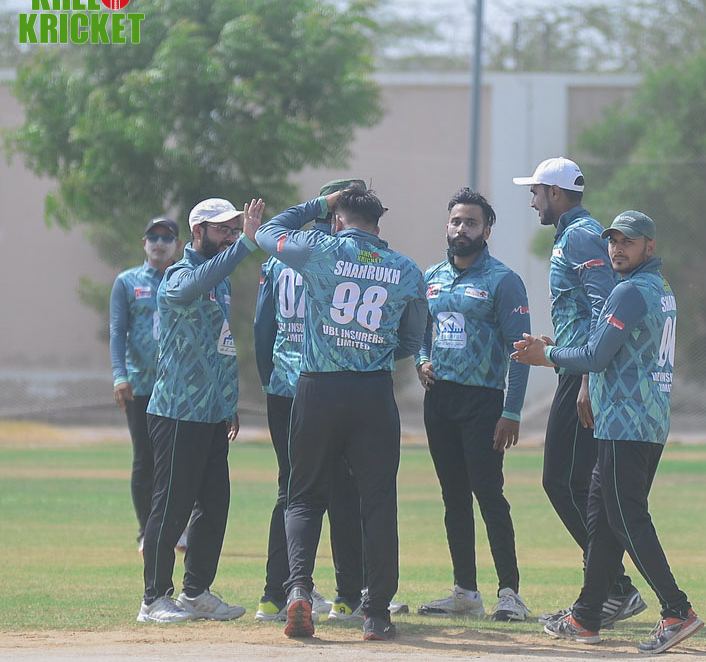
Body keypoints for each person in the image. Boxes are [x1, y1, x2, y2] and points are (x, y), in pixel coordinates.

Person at [512, 210, 704, 654]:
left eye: (628, 241)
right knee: (602, 522)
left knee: (626, 518)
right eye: (613, 241)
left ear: (649, 247)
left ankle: (677, 610)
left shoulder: (630, 291)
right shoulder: (659, 287)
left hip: (625, 422)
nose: (617, 248)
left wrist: (547, 355)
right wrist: (560, 349)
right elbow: (605, 350)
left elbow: (596, 357)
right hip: (642, 420)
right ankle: (587, 615)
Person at [256, 183, 427, 642]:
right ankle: (376, 613)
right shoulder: (406, 268)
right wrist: (374, 348)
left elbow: (268, 232)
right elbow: (412, 339)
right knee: (377, 501)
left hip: (319, 387)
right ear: (378, 225)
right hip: (373, 392)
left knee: (304, 496)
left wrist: (320, 202)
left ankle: (298, 589)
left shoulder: (321, 250)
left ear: (338, 220)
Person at [512, 157, 644, 626]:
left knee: (563, 481)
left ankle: (615, 588)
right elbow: (582, 309)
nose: (532, 200)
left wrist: (587, 375)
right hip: (576, 362)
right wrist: (558, 345)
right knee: (581, 484)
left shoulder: (581, 235)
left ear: (555, 192)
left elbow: (603, 305)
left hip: (585, 373)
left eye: (536, 192)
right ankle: (611, 588)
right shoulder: (573, 233)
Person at [137, 197, 265, 624]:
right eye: (222, 229)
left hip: (211, 413)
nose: (229, 236)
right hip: (176, 411)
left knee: (214, 504)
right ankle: (154, 598)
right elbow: (193, 285)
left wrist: (228, 402)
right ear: (198, 232)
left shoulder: (220, 281)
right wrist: (245, 245)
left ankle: (195, 593)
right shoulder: (179, 274)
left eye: (234, 229)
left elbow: (221, 347)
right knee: (171, 505)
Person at [415, 188, 532, 622]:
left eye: (471, 222)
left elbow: (521, 352)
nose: (461, 229)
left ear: (487, 230)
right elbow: (420, 331)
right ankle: (465, 590)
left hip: (484, 402)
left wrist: (512, 412)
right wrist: (421, 361)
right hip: (439, 400)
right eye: (456, 221)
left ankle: (510, 593)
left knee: (488, 493)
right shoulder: (431, 276)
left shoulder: (503, 280)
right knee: (453, 497)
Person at [109, 216, 184, 555]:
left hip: (178, 385)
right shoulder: (127, 282)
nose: (159, 243)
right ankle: (146, 531)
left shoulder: (184, 278)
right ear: (144, 243)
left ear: (178, 245)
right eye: (153, 237)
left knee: (178, 459)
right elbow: (117, 331)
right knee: (145, 459)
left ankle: (176, 528)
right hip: (141, 384)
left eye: (167, 238)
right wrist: (119, 375)